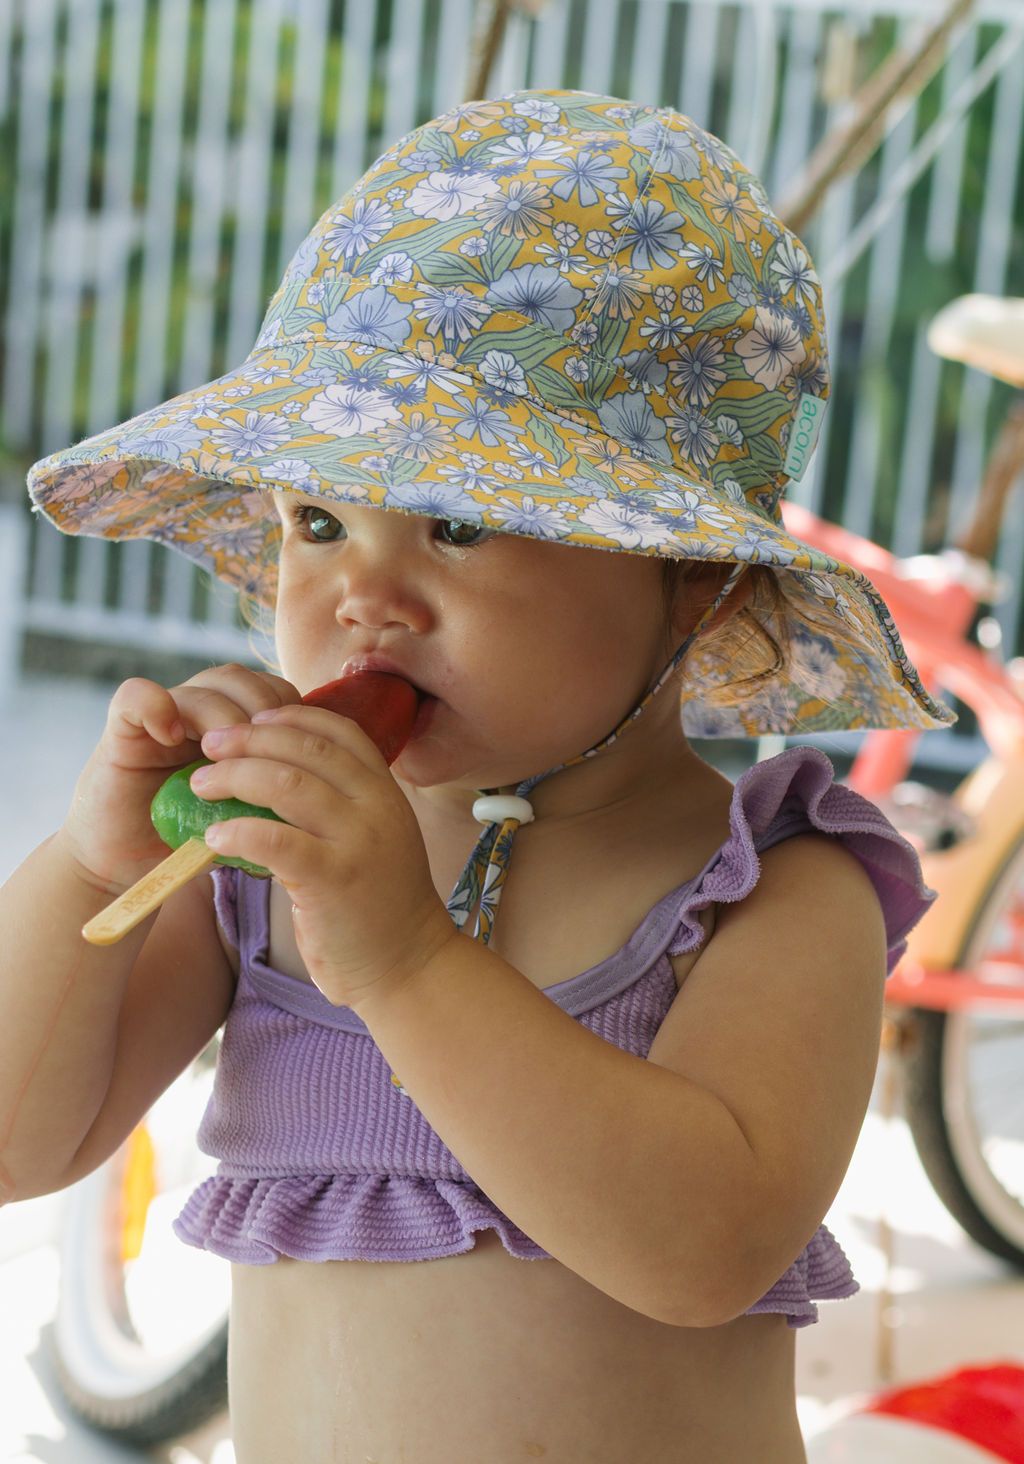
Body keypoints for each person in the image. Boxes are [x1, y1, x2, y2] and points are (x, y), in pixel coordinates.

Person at [4, 88, 953, 1462]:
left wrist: (406, 964)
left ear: (689, 581)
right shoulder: (263, 863)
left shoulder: (779, 893)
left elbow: (700, 1253)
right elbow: (20, 1146)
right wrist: (89, 868)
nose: (363, 597)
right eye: (319, 519)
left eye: (456, 523)